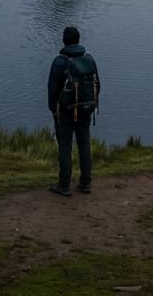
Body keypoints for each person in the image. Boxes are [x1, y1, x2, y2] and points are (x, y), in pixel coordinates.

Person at [47, 25, 100, 196]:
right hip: (86, 108)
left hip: (65, 110)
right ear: (78, 39)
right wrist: (90, 105)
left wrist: (53, 110)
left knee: (65, 145)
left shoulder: (60, 61)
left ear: (64, 40)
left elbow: (52, 90)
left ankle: (64, 185)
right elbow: (97, 84)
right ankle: (85, 182)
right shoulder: (89, 59)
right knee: (84, 143)